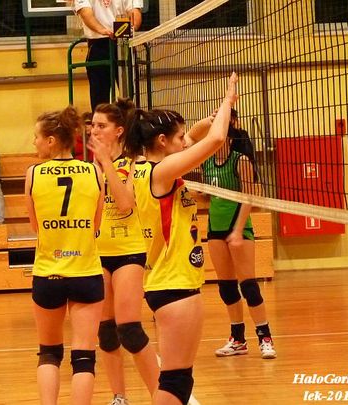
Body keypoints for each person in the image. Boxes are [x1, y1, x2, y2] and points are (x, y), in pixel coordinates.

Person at [125, 72, 239, 405]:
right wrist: (228, 100)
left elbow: (192, 138)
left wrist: (205, 121)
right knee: (175, 381)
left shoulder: (144, 166)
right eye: (177, 138)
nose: (183, 142)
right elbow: (215, 141)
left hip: (167, 283)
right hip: (174, 285)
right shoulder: (162, 172)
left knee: (179, 379)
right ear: (162, 141)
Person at [25, 105, 105, 405]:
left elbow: (35, 225)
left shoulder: (33, 174)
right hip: (86, 271)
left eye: (36, 137)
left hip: (48, 272)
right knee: (84, 357)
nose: (34, 142)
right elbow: (96, 225)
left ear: (51, 140)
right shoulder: (94, 171)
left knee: (48, 352)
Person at [87, 99, 159, 405]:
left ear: (118, 131)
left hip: (130, 252)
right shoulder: (90, 168)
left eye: (101, 126)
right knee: (106, 332)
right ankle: (119, 397)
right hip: (98, 253)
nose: (94, 130)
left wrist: (106, 163)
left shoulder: (134, 163)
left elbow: (126, 204)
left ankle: (160, 395)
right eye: (92, 125)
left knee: (129, 329)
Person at [202, 112, 277, 360]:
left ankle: (265, 337)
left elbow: (248, 197)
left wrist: (237, 229)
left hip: (239, 228)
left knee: (249, 286)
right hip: (215, 228)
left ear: (229, 136)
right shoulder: (206, 160)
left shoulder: (240, 160)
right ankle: (238, 339)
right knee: (226, 288)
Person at [74, 0, 142, 111]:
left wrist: (131, 27)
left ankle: (129, 119)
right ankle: (101, 119)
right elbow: (86, 13)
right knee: (99, 96)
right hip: (98, 45)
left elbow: (135, 12)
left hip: (124, 43)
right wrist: (103, 30)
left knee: (128, 95)